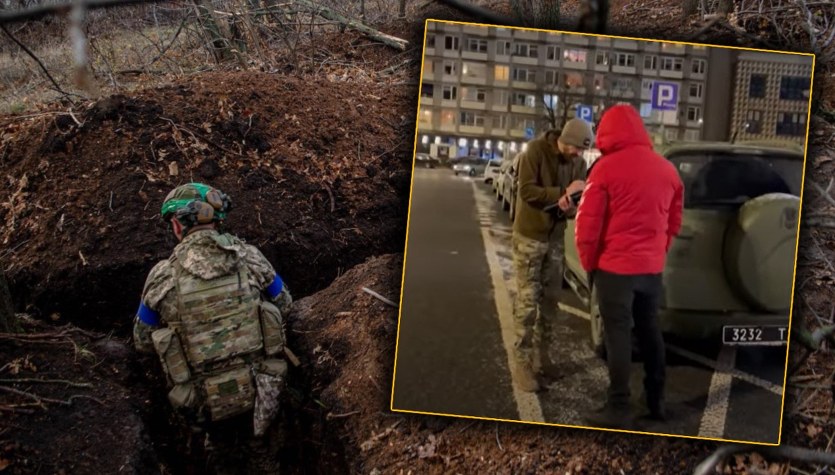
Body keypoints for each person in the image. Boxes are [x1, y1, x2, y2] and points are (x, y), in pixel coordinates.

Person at [132, 182, 293, 472]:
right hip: (262, 391)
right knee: (264, 453)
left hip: (201, 404)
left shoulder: (162, 277)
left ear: (179, 226)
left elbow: (142, 340)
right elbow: (284, 303)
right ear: (217, 220)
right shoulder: (251, 258)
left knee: (219, 456)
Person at [574, 104, 684, 428]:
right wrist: (657, 252)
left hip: (614, 269)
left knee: (618, 335)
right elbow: (674, 221)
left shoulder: (604, 170)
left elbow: (587, 225)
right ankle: (655, 400)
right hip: (650, 270)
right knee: (650, 331)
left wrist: (589, 264)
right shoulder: (668, 171)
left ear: (608, 131)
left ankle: (618, 404)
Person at [512, 119, 594, 392]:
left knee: (551, 302)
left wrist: (571, 206)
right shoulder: (536, 151)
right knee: (527, 302)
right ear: (566, 140)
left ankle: (541, 357)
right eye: (577, 149)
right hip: (530, 237)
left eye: (583, 150)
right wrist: (560, 193)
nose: (579, 155)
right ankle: (522, 364)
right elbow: (526, 191)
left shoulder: (579, 164)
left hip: (555, 239)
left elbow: (574, 201)